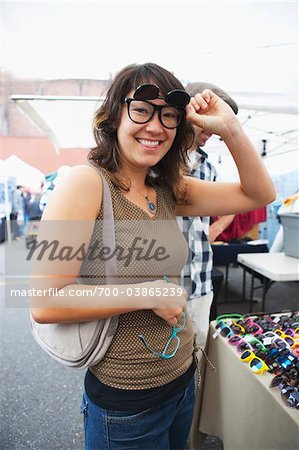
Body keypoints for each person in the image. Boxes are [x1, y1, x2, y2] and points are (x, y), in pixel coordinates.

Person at [30, 63, 275, 450]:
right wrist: (148, 293)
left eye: (169, 116)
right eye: (141, 109)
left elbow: (259, 195)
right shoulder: (86, 183)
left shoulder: (165, 189)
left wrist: (229, 129)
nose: (156, 126)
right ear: (113, 116)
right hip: (127, 403)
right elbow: (44, 301)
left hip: (181, 384)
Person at [180, 81, 237, 352]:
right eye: (209, 123)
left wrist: (211, 232)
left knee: (198, 357)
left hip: (201, 283)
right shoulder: (155, 160)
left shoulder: (209, 168)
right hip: (163, 287)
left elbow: (234, 204)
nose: (213, 133)